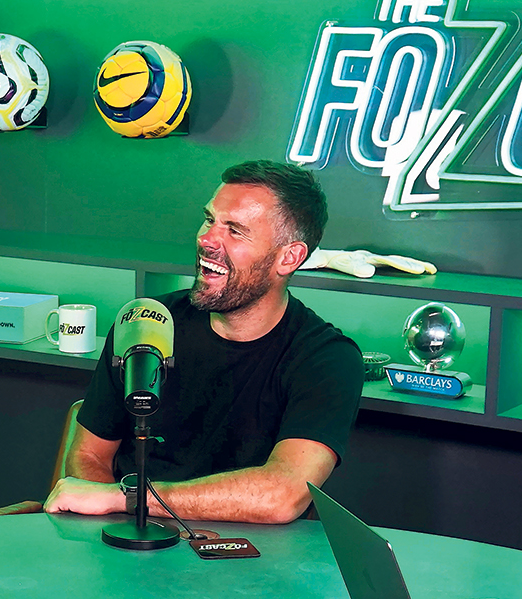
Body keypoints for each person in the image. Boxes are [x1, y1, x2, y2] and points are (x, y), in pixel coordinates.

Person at [43, 160, 364, 526]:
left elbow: (283, 494)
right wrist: (125, 532)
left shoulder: (327, 360)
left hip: (250, 555)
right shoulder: (145, 322)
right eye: (209, 219)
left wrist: (128, 500)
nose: (207, 239)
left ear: (289, 258)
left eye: (235, 231)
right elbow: (89, 455)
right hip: (133, 539)